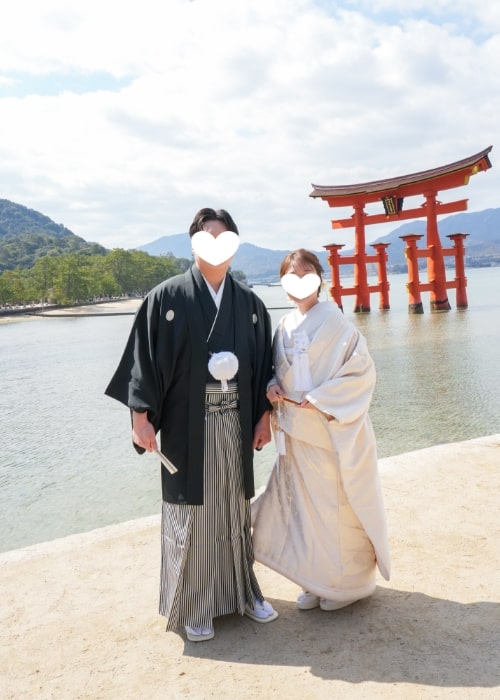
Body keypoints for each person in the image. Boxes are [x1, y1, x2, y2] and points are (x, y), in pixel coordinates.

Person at [105, 207, 278, 642]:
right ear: (194, 244)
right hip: (187, 425)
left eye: (224, 238)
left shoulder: (251, 306)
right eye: (207, 238)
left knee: (234, 510)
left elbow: (262, 367)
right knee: (193, 513)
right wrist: (140, 417)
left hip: (236, 423)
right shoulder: (166, 298)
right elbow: (143, 362)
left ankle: (242, 593)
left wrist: (263, 417)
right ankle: (194, 606)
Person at [251, 249, 390, 611]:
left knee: (335, 507)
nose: (299, 282)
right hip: (295, 434)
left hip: (328, 429)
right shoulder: (283, 326)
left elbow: (361, 372)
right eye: (291, 275)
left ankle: (347, 585)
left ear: (318, 277)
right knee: (303, 510)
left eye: (306, 273)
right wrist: (270, 387)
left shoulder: (338, 323)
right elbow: (273, 370)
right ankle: (314, 580)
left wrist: (324, 398)